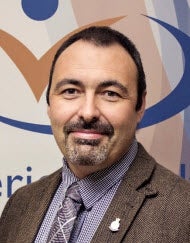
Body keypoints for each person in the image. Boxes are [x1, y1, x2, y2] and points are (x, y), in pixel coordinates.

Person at [0, 26, 190, 243]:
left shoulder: (184, 213)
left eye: (110, 94)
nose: (88, 112)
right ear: (50, 103)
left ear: (140, 106)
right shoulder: (20, 205)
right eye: (71, 91)